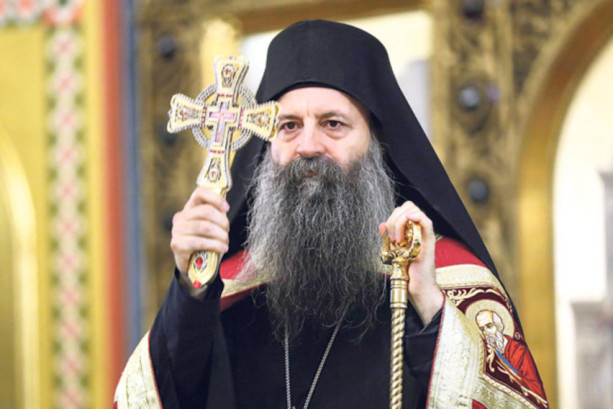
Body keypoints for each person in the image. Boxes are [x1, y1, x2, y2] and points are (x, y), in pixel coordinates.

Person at [115, 20, 549, 409]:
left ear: (376, 142)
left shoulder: (440, 281)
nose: (308, 146)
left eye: (333, 124)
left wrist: (430, 309)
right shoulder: (231, 287)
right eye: (288, 126)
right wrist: (191, 289)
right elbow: (162, 394)